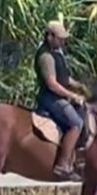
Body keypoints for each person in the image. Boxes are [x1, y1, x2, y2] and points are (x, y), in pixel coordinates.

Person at [34, 20, 89, 182]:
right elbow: (52, 84)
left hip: (58, 95)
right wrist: (73, 96)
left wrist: (79, 86)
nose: (63, 41)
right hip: (50, 98)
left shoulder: (57, 53)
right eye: (60, 38)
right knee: (76, 123)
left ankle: (78, 158)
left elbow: (64, 78)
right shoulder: (45, 56)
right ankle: (63, 165)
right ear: (50, 36)